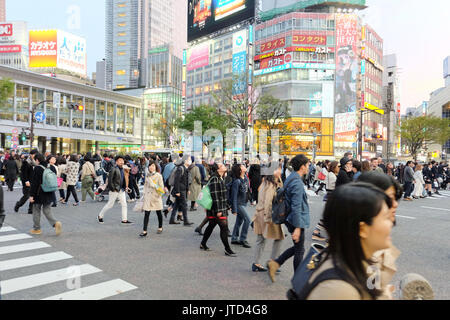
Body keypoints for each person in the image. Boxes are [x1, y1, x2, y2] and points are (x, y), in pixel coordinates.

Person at [304, 182, 393, 300]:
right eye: (385, 218)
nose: (392, 223)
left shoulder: (363, 262)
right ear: (362, 229)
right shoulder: (340, 290)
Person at [267, 154, 310, 282]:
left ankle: (276, 263)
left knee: (298, 248)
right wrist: (297, 227)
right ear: (302, 167)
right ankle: (297, 280)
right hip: (295, 219)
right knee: (299, 250)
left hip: (290, 217)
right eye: (307, 165)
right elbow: (296, 206)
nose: (308, 167)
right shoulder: (297, 182)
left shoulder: (291, 177)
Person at [251, 163, 285, 272]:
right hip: (268, 215)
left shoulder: (266, 181)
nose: (280, 171)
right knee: (279, 237)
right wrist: (268, 218)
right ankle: (273, 262)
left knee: (261, 239)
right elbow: (268, 202)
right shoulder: (271, 184)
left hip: (260, 213)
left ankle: (256, 263)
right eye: (279, 169)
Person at [200, 162, 236, 257]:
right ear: (218, 169)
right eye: (222, 165)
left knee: (211, 225)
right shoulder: (215, 179)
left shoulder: (219, 177)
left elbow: (221, 195)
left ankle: (203, 243)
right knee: (224, 228)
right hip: (217, 209)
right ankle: (227, 249)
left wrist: (227, 206)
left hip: (216, 208)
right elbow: (215, 196)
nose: (225, 166)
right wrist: (219, 210)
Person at [29, 153, 62, 236]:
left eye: (35, 160)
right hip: (49, 191)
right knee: (47, 209)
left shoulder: (37, 168)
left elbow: (35, 183)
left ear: (37, 160)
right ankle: (55, 223)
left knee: (36, 209)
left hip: (39, 192)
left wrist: (31, 195)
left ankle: (37, 229)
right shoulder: (50, 167)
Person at [97, 155, 133, 225]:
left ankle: (124, 220)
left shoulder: (123, 168)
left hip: (121, 190)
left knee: (124, 204)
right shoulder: (113, 169)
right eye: (120, 161)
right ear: (116, 162)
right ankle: (100, 215)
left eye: (122, 161)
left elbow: (124, 178)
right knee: (110, 205)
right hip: (115, 190)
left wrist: (126, 186)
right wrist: (113, 189)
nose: (121, 162)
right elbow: (110, 180)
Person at [311, 160, 339, 242]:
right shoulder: (332, 175)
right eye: (338, 167)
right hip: (331, 198)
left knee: (328, 218)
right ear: (334, 167)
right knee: (328, 218)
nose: (339, 168)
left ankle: (317, 233)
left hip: (329, 197)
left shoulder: (331, 174)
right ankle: (317, 233)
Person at [140, 160, 165, 237]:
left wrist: (153, 185)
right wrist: (143, 194)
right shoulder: (147, 175)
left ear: (156, 167)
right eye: (150, 165)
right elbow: (145, 185)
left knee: (158, 213)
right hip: (148, 196)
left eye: (153, 165)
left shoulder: (158, 176)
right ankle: (144, 230)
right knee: (146, 213)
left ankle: (160, 227)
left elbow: (161, 187)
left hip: (156, 196)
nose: (151, 167)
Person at [230, 163, 251, 248]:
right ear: (240, 170)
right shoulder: (237, 181)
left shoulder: (245, 177)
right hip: (238, 204)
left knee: (239, 221)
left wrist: (251, 198)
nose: (244, 166)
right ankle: (243, 239)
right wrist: (234, 209)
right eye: (242, 166)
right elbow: (234, 196)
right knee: (248, 220)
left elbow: (247, 190)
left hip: (244, 202)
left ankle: (234, 238)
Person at [169, 155, 193, 226]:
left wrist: (188, 189)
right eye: (189, 159)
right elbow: (177, 181)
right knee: (184, 205)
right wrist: (177, 191)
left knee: (176, 204)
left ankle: (172, 219)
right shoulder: (180, 168)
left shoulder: (186, 168)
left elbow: (186, 180)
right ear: (185, 161)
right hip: (180, 190)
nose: (190, 161)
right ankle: (185, 221)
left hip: (183, 189)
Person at [14, 149, 38, 214]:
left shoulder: (36, 162)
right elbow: (23, 173)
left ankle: (30, 209)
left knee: (33, 195)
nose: (35, 156)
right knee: (26, 196)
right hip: (27, 181)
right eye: (34, 155)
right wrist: (26, 181)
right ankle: (18, 204)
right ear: (31, 155)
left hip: (34, 181)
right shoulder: (26, 162)